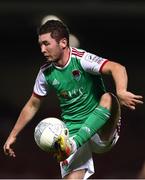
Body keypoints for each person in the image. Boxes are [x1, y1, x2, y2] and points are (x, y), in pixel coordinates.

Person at [3, 20, 143, 179]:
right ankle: (74, 143)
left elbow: (117, 68)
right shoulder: (45, 73)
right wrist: (13, 135)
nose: (42, 49)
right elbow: (32, 104)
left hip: (100, 128)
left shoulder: (81, 59)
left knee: (109, 98)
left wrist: (122, 91)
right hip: (72, 130)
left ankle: (74, 144)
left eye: (46, 43)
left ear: (63, 42)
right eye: (40, 44)